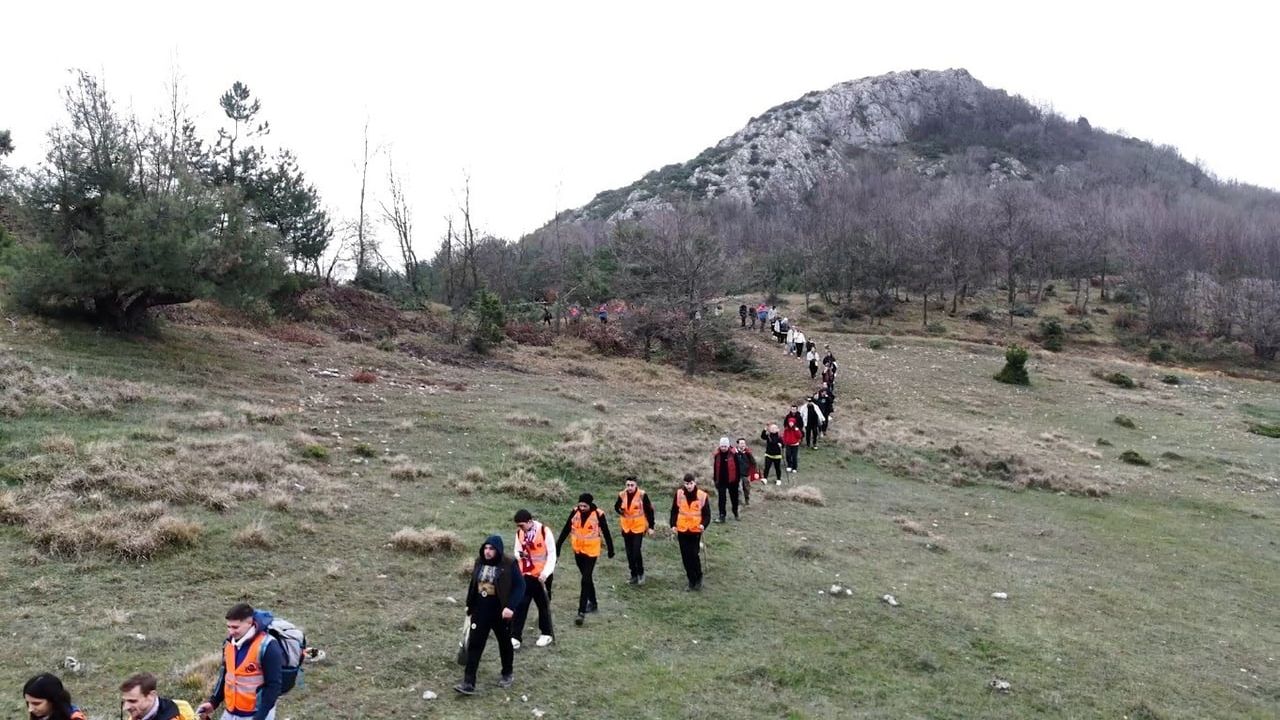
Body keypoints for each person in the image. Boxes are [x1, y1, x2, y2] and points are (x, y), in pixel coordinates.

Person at [455, 534, 525, 695]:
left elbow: (520, 586)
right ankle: (468, 682)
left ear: (498, 550)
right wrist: (469, 605)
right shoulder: (479, 562)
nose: (487, 551)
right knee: (475, 644)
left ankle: (507, 673)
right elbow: (473, 584)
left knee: (504, 643)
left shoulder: (509, 563)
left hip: (500, 611)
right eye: (486, 548)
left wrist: (510, 607)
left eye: (491, 549)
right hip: (480, 609)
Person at [195, 603, 284, 720]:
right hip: (230, 712)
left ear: (249, 623)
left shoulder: (268, 646)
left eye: (235, 627)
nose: (231, 632)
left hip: (255, 715)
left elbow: (274, 686)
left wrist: (260, 716)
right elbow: (225, 676)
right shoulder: (228, 644)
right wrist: (213, 702)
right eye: (228, 627)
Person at [556, 493, 615, 626]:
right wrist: (558, 546)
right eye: (580, 505)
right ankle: (593, 602)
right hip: (578, 551)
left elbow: (606, 532)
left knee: (585, 580)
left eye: (585, 506)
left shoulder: (598, 514)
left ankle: (581, 612)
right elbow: (566, 529)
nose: (582, 508)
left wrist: (610, 549)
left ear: (590, 505)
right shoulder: (575, 512)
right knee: (586, 578)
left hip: (591, 552)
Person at [511, 509, 556, 648]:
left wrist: (546, 573)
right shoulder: (519, 533)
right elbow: (516, 550)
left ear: (530, 521)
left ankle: (546, 633)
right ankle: (515, 636)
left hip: (542, 575)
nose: (520, 528)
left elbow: (552, 555)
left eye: (522, 525)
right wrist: (520, 555)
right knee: (521, 604)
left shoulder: (544, 532)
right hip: (526, 574)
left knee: (543, 604)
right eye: (518, 526)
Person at [669, 473, 711, 591]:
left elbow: (707, 515)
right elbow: (674, 511)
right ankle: (691, 580)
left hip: (695, 530)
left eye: (691, 483)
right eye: (686, 484)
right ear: (684, 484)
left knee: (694, 555)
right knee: (685, 556)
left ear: (694, 483)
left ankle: (698, 577)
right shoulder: (679, 494)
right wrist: (673, 524)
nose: (688, 486)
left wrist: (703, 524)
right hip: (682, 530)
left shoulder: (702, 496)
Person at [614, 476, 655, 584]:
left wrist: (651, 527)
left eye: (632, 485)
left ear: (636, 485)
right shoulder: (622, 495)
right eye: (628, 485)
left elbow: (649, 511)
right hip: (626, 527)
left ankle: (641, 573)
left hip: (638, 527)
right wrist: (620, 510)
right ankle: (634, 575)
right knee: (629, 553)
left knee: (636, 551)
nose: (630, 487)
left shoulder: (642, 495)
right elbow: (616, 507)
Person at [120, 672, 197, 720]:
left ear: (152, 695)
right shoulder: (139, 714)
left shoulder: (178, 714)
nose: (125, 707)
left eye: (133, 701)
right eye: (124, 701)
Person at [711, 437, 740, 522]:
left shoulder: (734, 454)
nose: (723, 448)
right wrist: (715, 480)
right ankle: (722, 515)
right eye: (722, 446)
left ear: (728, 446)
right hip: (721, 481)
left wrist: (737, 480)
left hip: (733, 481)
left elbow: (738, 468)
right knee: (721, 499)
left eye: (725, 446)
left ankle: (735, 512)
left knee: (734, 498)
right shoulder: (717, 455)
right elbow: (715, 468)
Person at [734, 437, 759, 506]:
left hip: (745, 474)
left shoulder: (748, 453)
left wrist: (755, 472)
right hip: (737, 474)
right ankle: (739, 503)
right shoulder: (734, 453)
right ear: (738, 444)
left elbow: (754, 462)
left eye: (744, 443)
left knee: (746, 488)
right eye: (741, 443)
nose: (743, 445)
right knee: (738, 488)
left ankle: (747, 500)